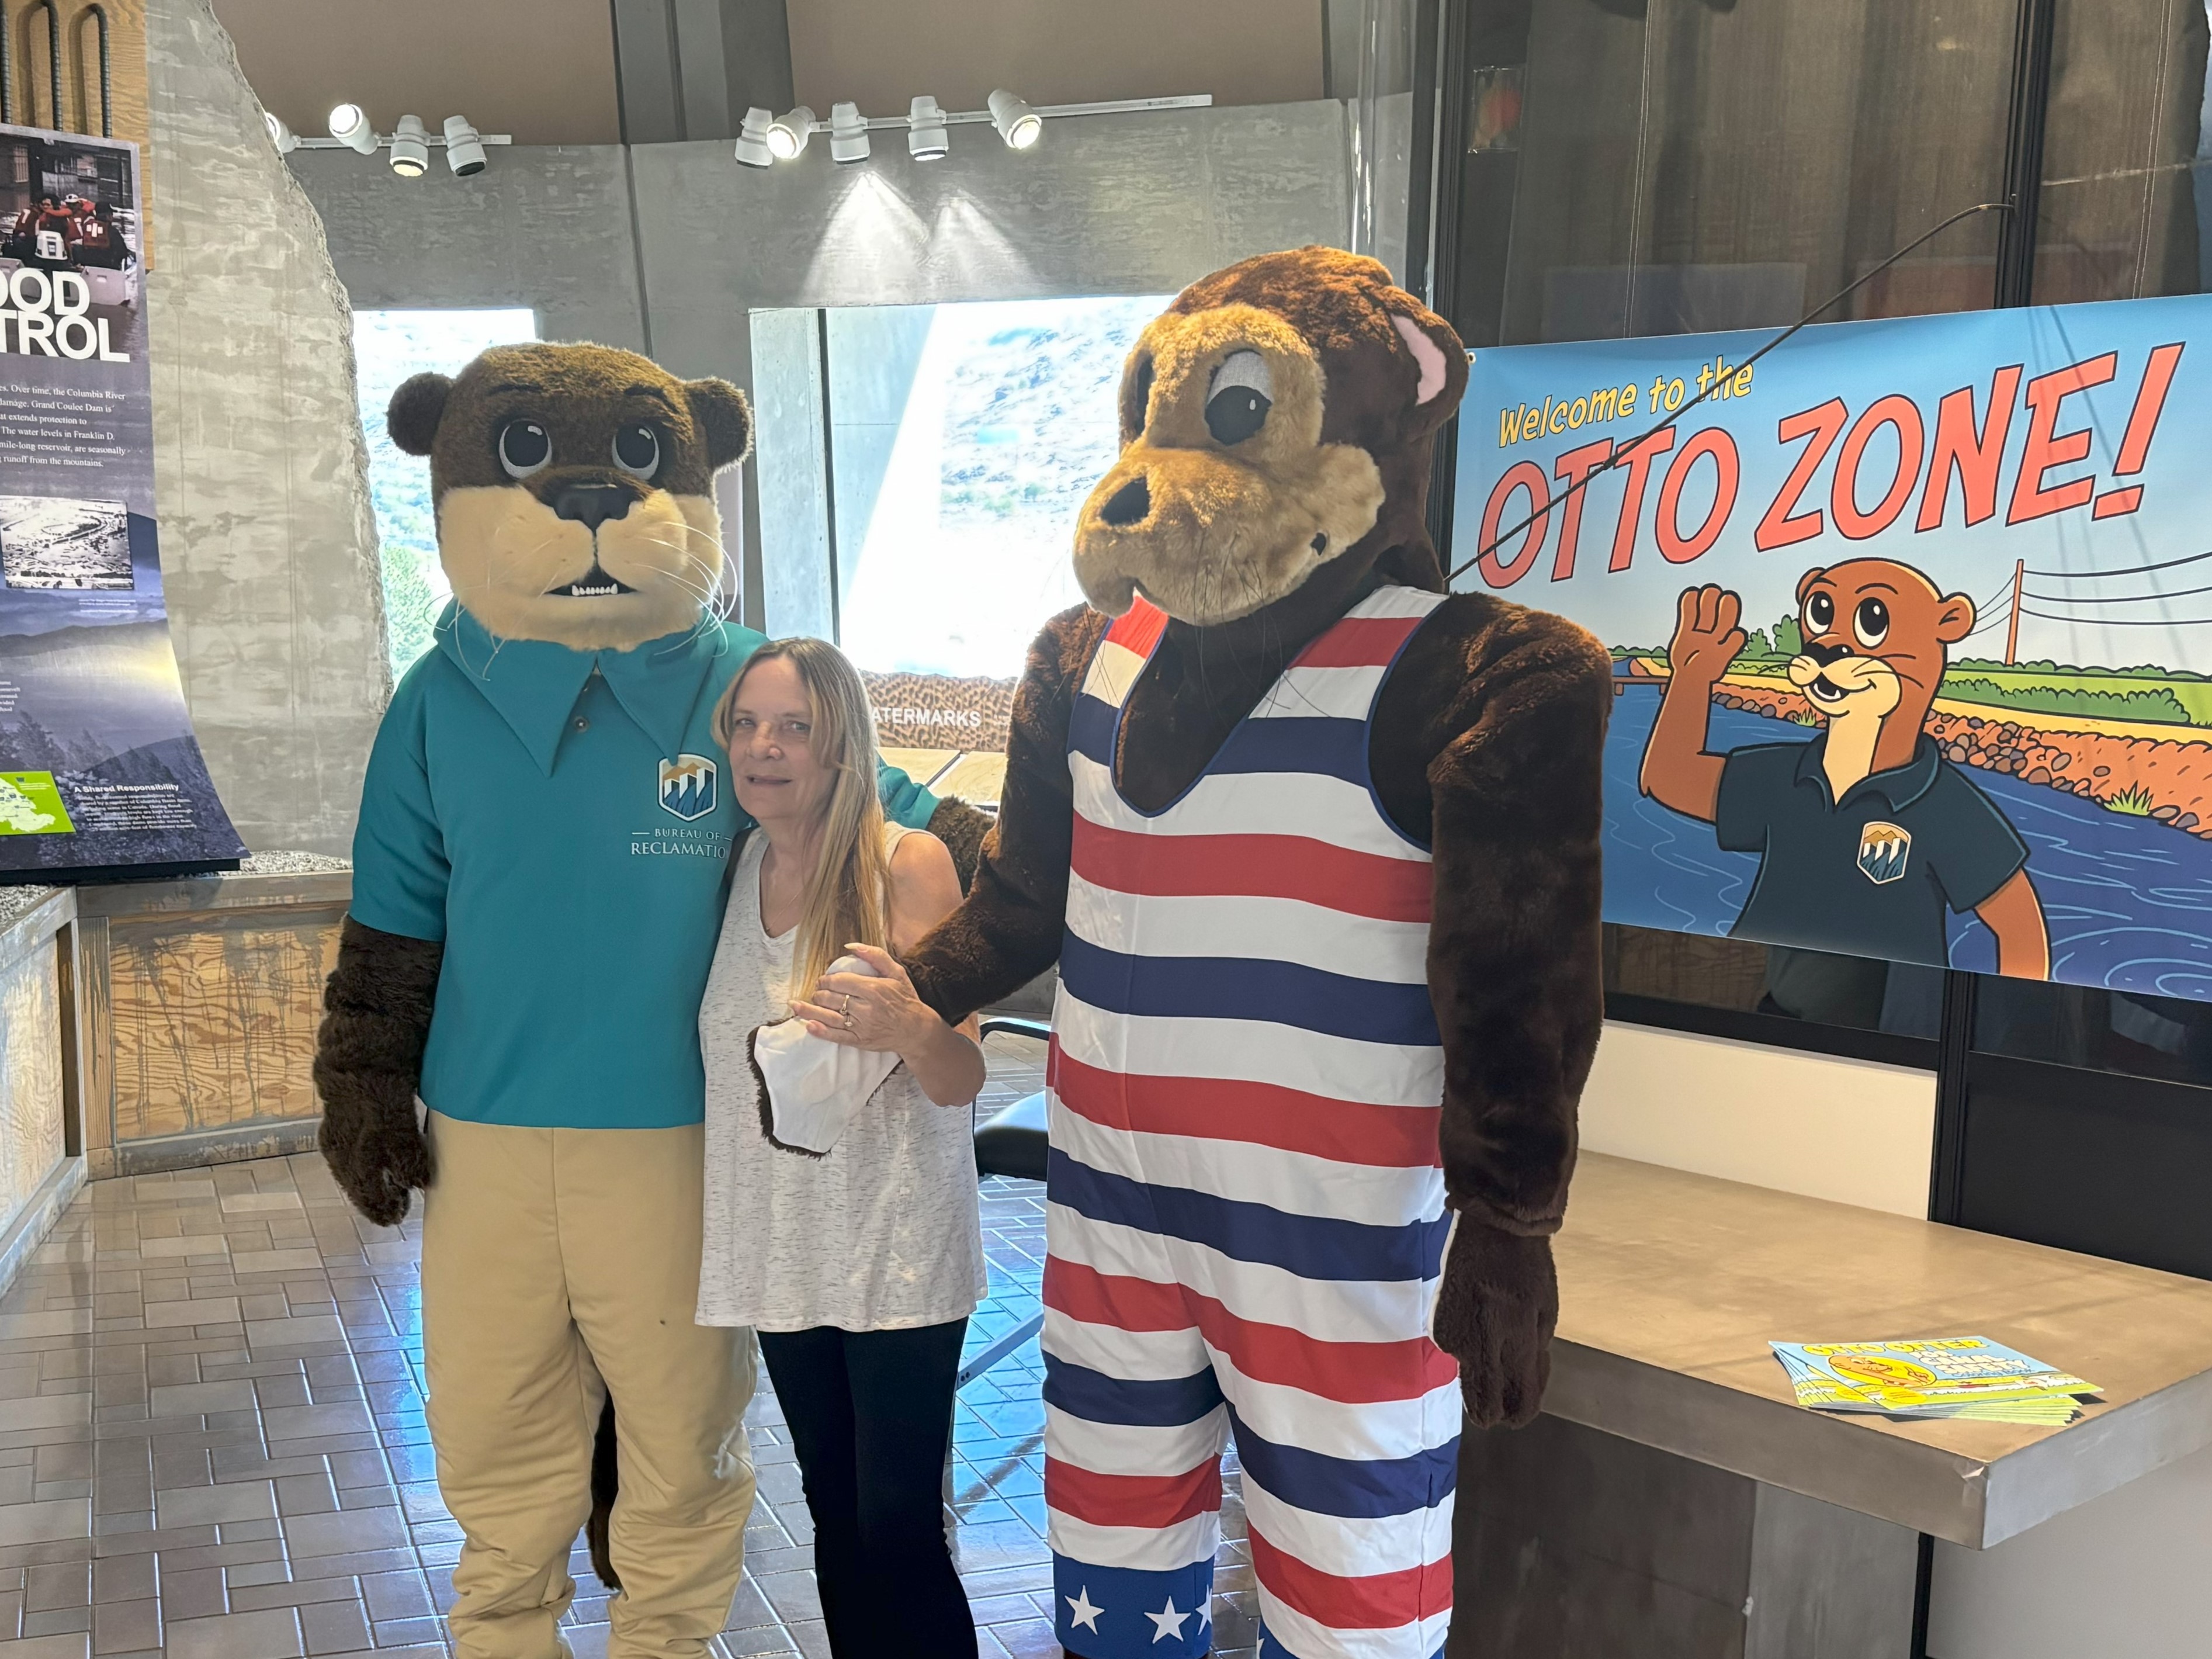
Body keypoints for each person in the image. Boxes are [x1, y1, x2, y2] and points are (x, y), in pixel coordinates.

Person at [696, 637, 987, 1659]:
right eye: (746, 724)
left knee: (898, 1524)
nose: (763, 748)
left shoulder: (905, 860)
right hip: (779, 1245)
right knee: (833, 1514)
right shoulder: (736, 866)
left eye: (793, 727)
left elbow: (962, 1080)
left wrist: (908, 1028)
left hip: (894, 1250)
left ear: (842, 744)